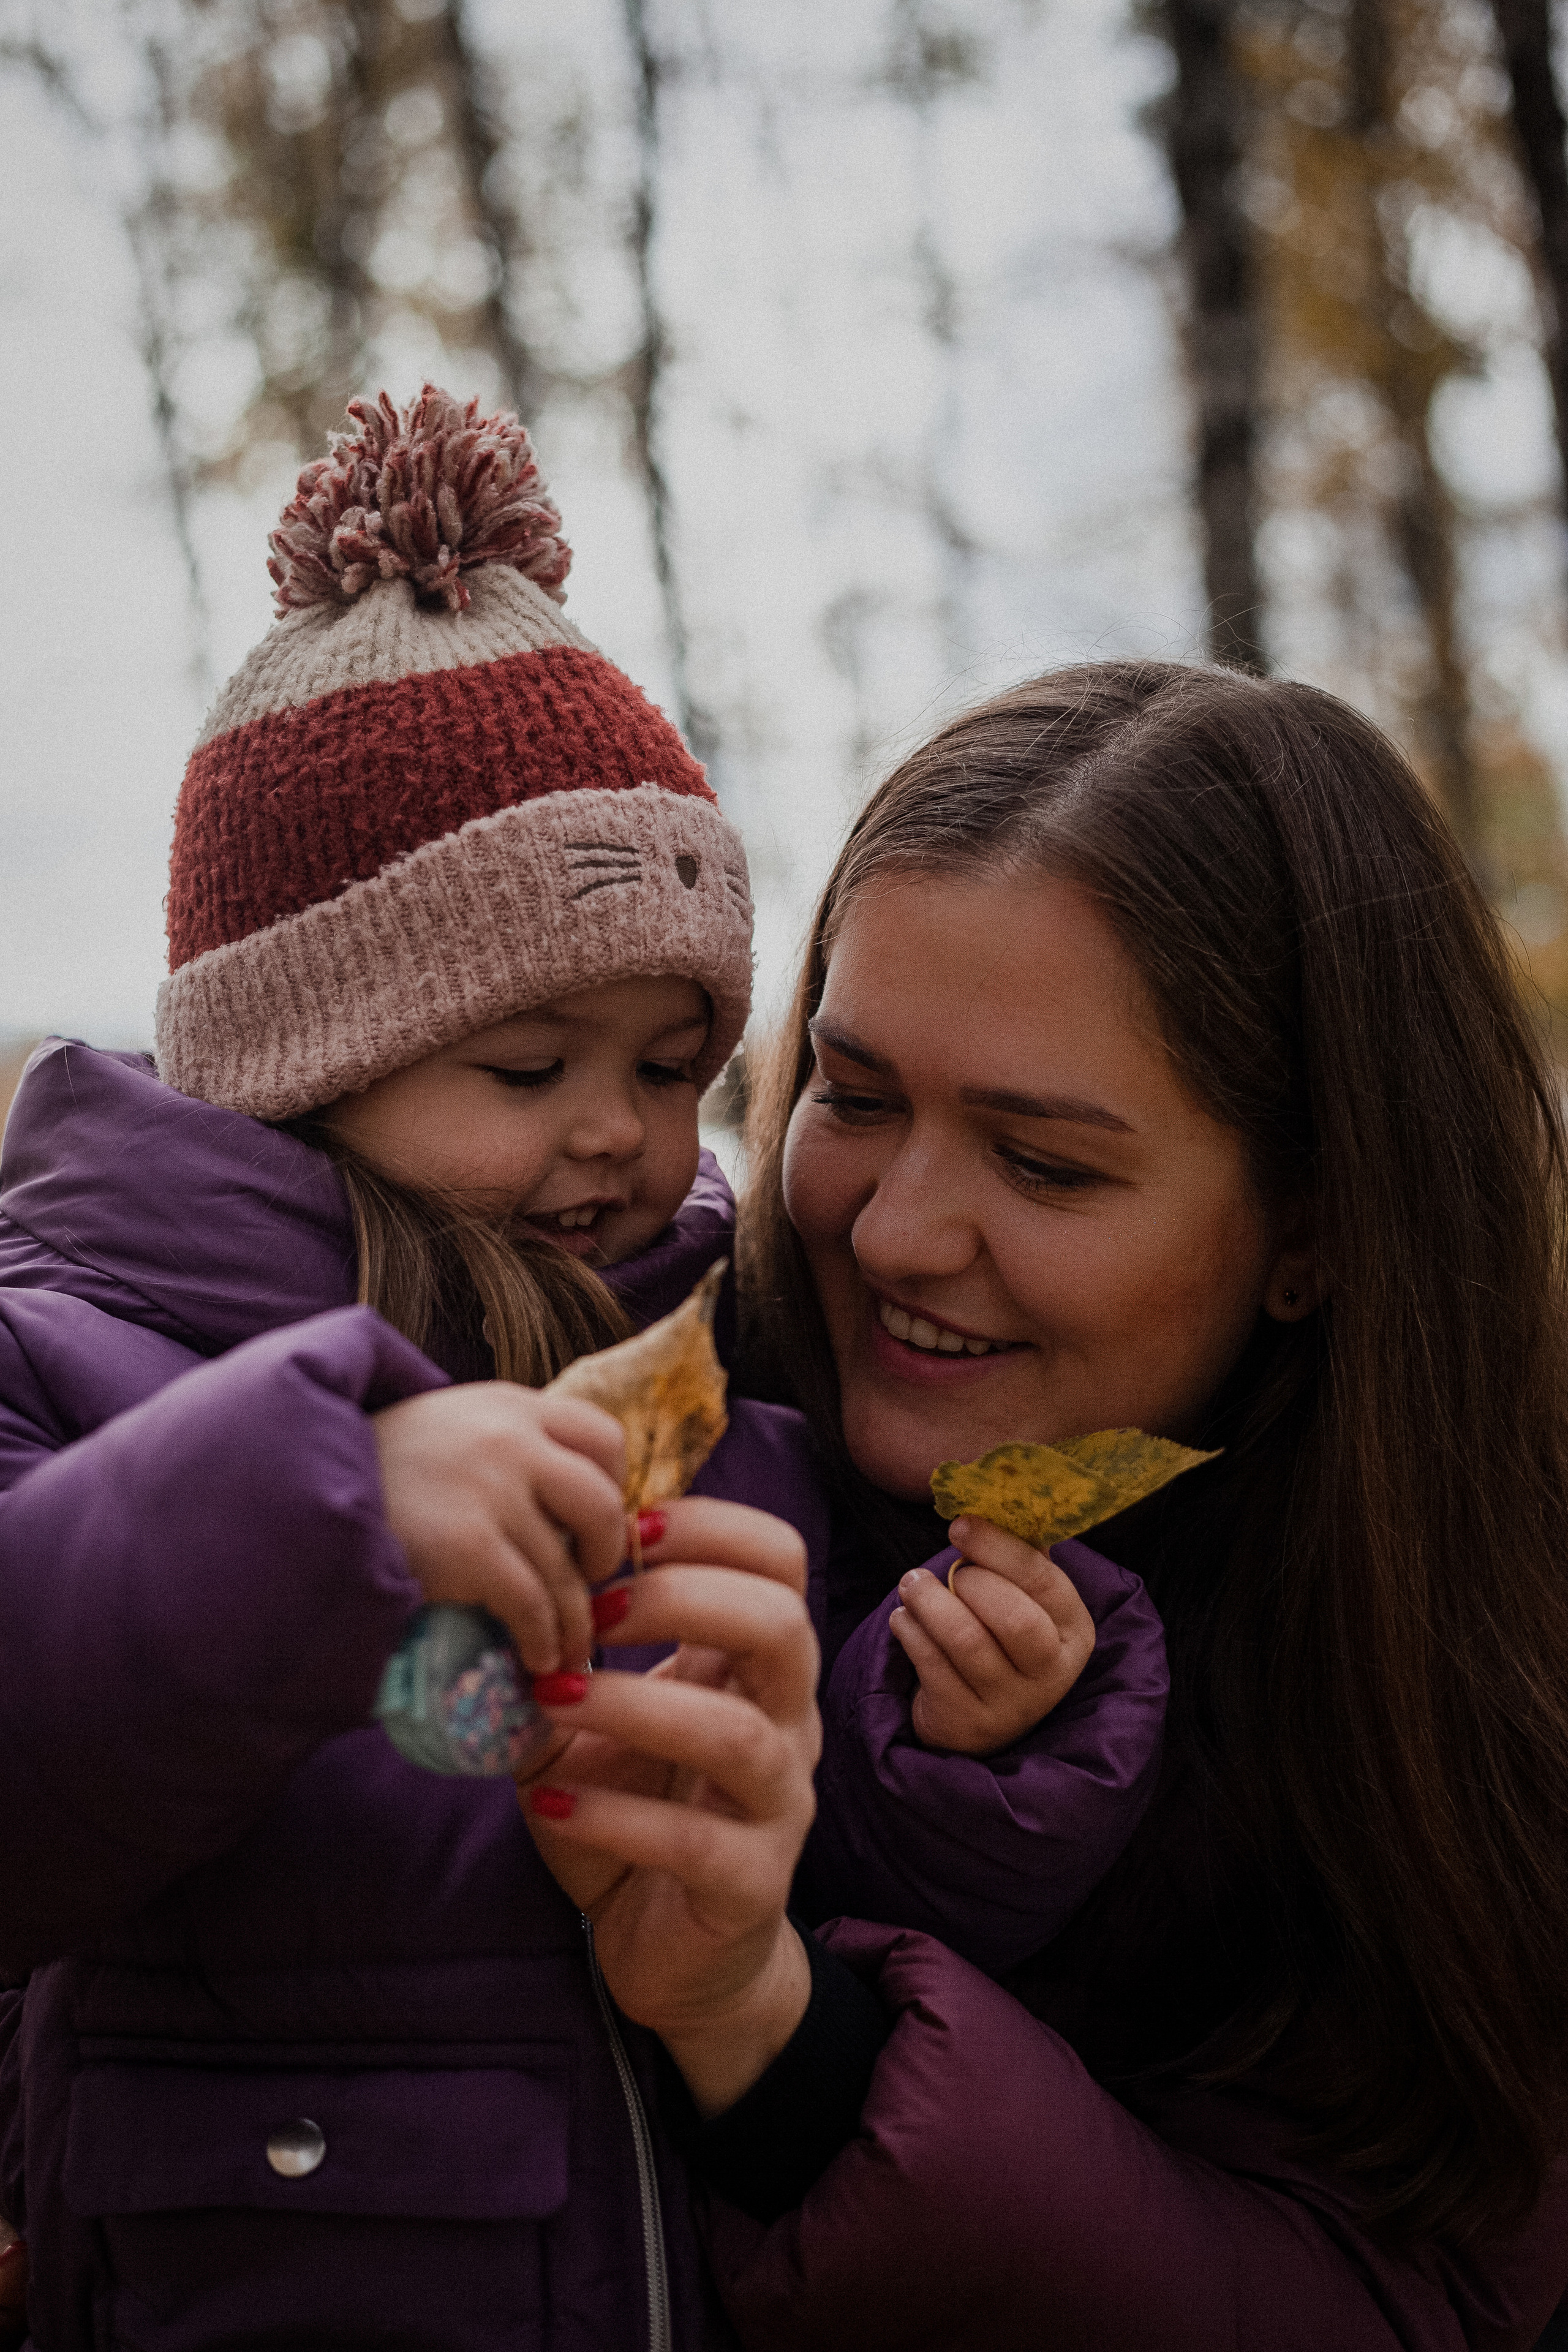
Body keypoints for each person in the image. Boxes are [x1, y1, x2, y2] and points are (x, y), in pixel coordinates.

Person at [0, 393, 1161, 2351]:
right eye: (529, 1070)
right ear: (300, 1067)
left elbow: (804, 1891)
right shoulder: (80, 1356)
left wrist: (944, 1748)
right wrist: (326, 1507)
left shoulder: (711, 1392)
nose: (624, 1137)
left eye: (667, 1065)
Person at [525, 661, 1568, 2350]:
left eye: (1046, 1163)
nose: (891, 1235)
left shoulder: (1468, 1690)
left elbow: (1411, 2298)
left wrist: (781, 2045)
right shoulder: (611, 1413)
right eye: (853, 1098)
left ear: (1314, 1230)